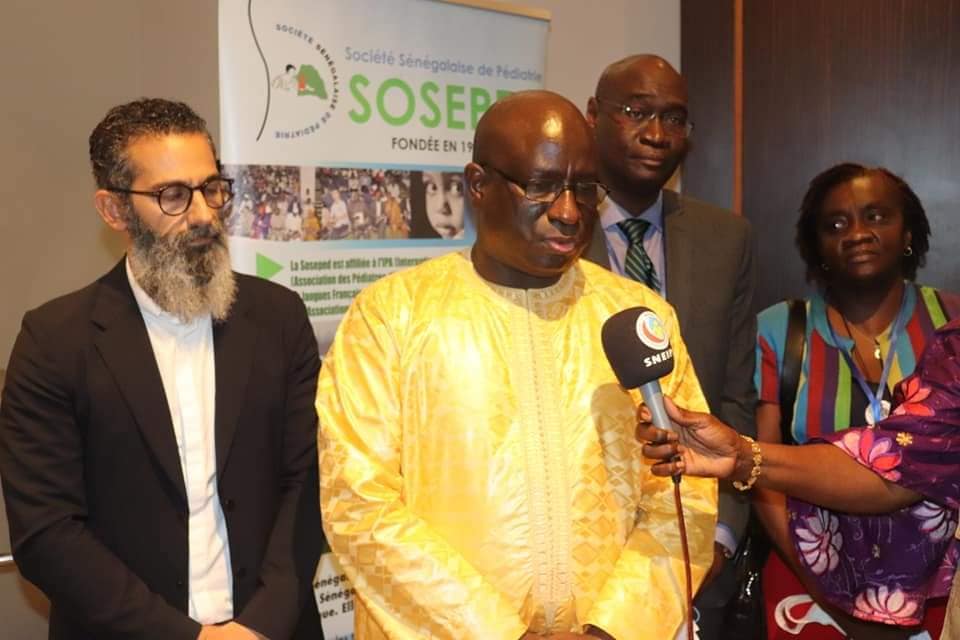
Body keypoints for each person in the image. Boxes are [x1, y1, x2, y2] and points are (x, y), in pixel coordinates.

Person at [317, 90, 717, 639]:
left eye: (584, 188)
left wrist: (612, 630)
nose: (569, 212)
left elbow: (686, 492)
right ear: (477, 185)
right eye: (540, 186)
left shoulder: (637, 318)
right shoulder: (392, 315)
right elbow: (358, 504)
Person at [0, 98, 322, 640]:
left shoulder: (278, 317)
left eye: (211, 188)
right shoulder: (54, 341)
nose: (203, 214)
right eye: (172, 195)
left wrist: (260, 625)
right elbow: (47, 532)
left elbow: (308, 481)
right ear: (114, 210)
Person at [582, 53, 757, 635]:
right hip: (586, 557)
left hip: (694, 548)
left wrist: (720, 537)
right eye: (636, 112)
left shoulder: (726, 237)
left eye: (674, 118)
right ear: (593, 116)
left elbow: (735, 397)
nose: (657, 134)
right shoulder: (554, 234)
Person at [752, 163, 960, 638]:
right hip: (806, 579)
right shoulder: (778, 330)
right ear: (816, 246)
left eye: (876, 216)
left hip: (938, 582)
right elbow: (759, 469)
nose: (857, 233)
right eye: (836, 224)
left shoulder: (950, 322)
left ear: (908, 233)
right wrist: (824, 585)